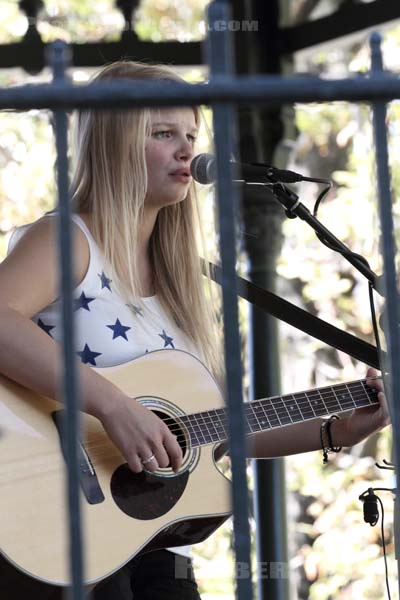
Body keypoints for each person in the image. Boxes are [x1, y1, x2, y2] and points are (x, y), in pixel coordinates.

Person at [0, 61, 390, 600]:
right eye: (163, 135)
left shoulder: (182, 279)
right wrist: (114, 406)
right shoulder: (67, 240)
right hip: (63, 530)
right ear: (114, 144)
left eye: (191, 135)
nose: (187, 151)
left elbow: (210, 429)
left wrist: (337, 430)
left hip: (158, 544)